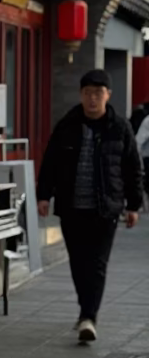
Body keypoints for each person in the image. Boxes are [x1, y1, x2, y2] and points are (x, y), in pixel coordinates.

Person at [37, 68, 143, 343]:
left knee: (97, 263)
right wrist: (43, 195)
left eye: (98, 93)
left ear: (108, 95)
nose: (93, 99)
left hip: (105, 209)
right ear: (81, 95)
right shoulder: (67, 125)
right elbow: (50, 163)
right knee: (78, 262)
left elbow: (133, 168)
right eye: (87, 93)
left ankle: (89, 316)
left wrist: (134, 205)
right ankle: (86, 310)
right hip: (72, 208)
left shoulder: (120, 127)